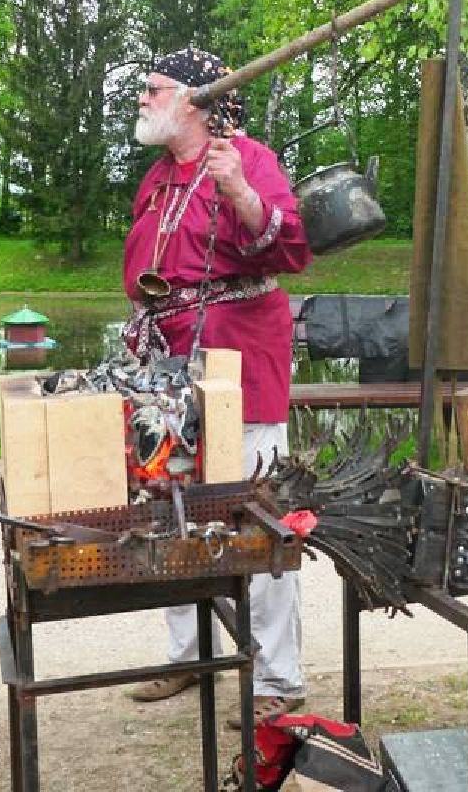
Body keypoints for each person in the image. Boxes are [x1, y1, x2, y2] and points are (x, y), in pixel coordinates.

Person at [119, 48, 313, 726]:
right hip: (166, 370)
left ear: (194, 101)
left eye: (153, 89)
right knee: (169, 505)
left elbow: (289, 247)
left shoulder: (246, 159)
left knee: (258, 518)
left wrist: (242, 194)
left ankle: (277, 681)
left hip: (241, 362)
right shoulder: (157, 177)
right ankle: (190, 657)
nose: (142, 99)